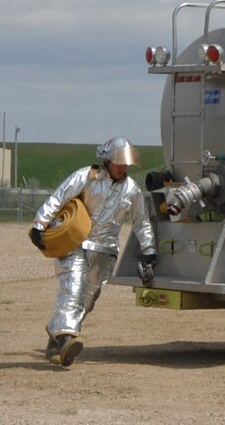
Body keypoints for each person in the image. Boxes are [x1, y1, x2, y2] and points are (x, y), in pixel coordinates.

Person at [31, 137, 157, 365]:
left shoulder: (132, 190)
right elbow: (59, 197)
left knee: (87, 302)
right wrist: (39, 224)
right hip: (75, 245)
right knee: (72, 290)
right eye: (118, 163)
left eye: (125, 164)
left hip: (105, 252)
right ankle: (68, 337)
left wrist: (148, 249)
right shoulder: (86, 177)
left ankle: (56, 334)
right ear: (107, 160)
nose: (122, 168)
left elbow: (141, 221)